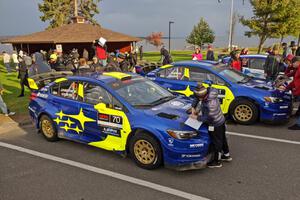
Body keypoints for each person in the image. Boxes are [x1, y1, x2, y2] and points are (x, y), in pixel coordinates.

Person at [190, 83, 232, 168]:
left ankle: (217, 161)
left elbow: (209, 118)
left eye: (199, 98)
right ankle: (227, 155)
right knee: (222, 138)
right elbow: (196, 97)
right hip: (221, 119)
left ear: (202, 96)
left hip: (215, 124)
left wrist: (196, 117)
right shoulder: (209, 91)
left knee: (217, 142)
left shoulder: (210, 104)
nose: (199, 99)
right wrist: (193, 107)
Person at [280, 56, 300, 129]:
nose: (292, 65)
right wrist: (287, 87)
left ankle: (298, 125)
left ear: (297, 62)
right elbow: (290, 76)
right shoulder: (297, 69)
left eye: (293, 63)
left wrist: (294, 92)